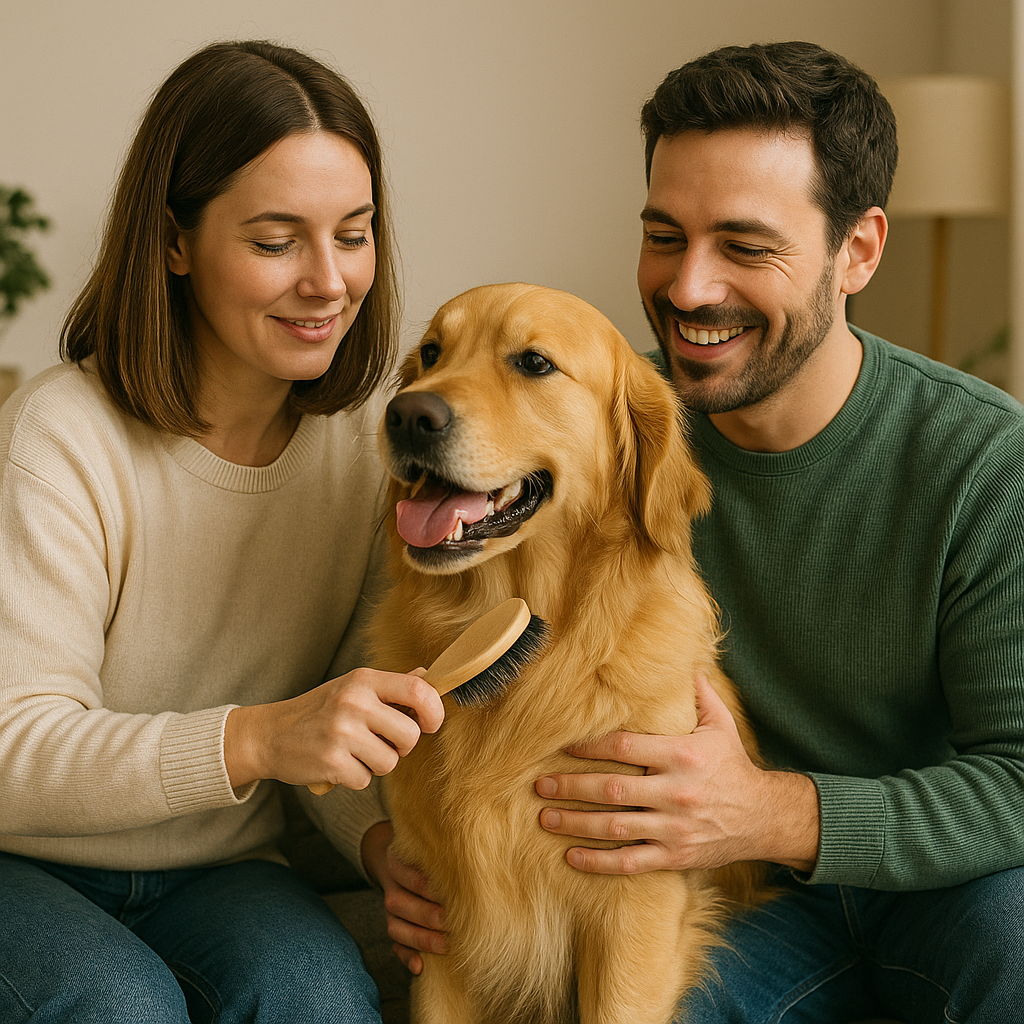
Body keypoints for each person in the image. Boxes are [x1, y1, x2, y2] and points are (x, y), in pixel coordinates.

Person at [371, 42, 1024, 1022]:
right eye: (665, 235)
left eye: (745, 246)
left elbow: (1017, 778)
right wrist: (396, 847)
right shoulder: (592, 423)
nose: (687, 288)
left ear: (859, 251)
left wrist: (770, 809)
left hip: (939, 888)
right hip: (736, 899)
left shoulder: (984, 461)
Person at [0, 40, 444, 1024]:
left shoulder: (363, 453)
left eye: (355, 233)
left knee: (318, 998)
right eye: (277, 240)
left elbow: (334, 729)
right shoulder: (57, 434)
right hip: (18, 858)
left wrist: (380, 847)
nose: (330, 281)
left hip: (220, 864)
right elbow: (12, 755)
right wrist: (257, 736)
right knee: (119, 1004)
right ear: (173, 240)